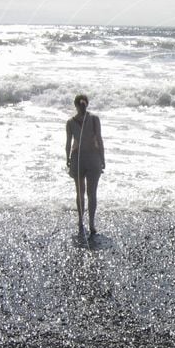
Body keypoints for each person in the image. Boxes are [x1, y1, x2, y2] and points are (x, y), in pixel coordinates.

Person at [66, 94, 105, 241]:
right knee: (92, 193)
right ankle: (92, 224)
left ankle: (80, 222)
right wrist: (103, 158)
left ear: (75, 105)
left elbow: (68, 144)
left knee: (80, 192)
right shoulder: (95, 120)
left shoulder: (70, 122)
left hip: (78, 159)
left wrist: (68, 160)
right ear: (87, 104)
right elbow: (99, 140)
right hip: (93, 158)